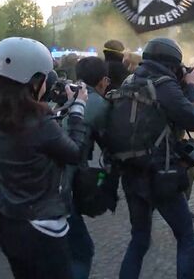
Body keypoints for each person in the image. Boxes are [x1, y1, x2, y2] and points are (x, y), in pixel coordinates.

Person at [0, 37, 88, 279]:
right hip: (42, 227)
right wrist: (78, 109)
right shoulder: (38, 122)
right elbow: (75, 153)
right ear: (33, 80)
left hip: (10, 220)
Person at [112, 37, 194, 279]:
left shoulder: (131, 80)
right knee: (185, 236)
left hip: (132, 172)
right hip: (162, 175)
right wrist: (192, 85)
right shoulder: (164, 84)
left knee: (139, 241)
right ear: (172, 64)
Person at [67, 56, 114, 278]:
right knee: (82, 251)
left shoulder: (66, 93)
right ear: (104, 80)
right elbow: (112, 144)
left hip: (40, 179)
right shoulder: (99, 104)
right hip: (63, 185)